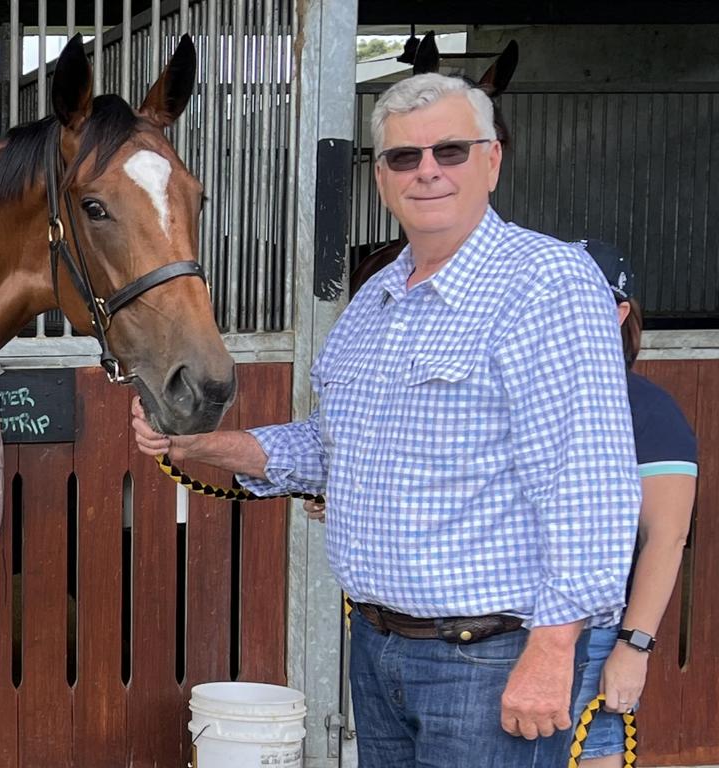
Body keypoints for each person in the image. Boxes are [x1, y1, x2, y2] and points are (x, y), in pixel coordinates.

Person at [132, 72, 641, 767]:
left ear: (492, 160)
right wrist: (197, 442)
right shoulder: (374, 303)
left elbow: (587, 478)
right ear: (381, 180)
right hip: (379, 649)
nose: (427, 170)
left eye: (450, 151)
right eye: (404, 157)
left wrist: (554, 649)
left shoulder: (546, 283)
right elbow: (329, 448)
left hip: (489, 657)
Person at [569, 240, 697, 768]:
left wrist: (632, 648)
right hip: (493, 630)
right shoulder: (509, 397)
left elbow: (666, 538)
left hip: (592, 633)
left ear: (620, 312)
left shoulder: (646, 410)